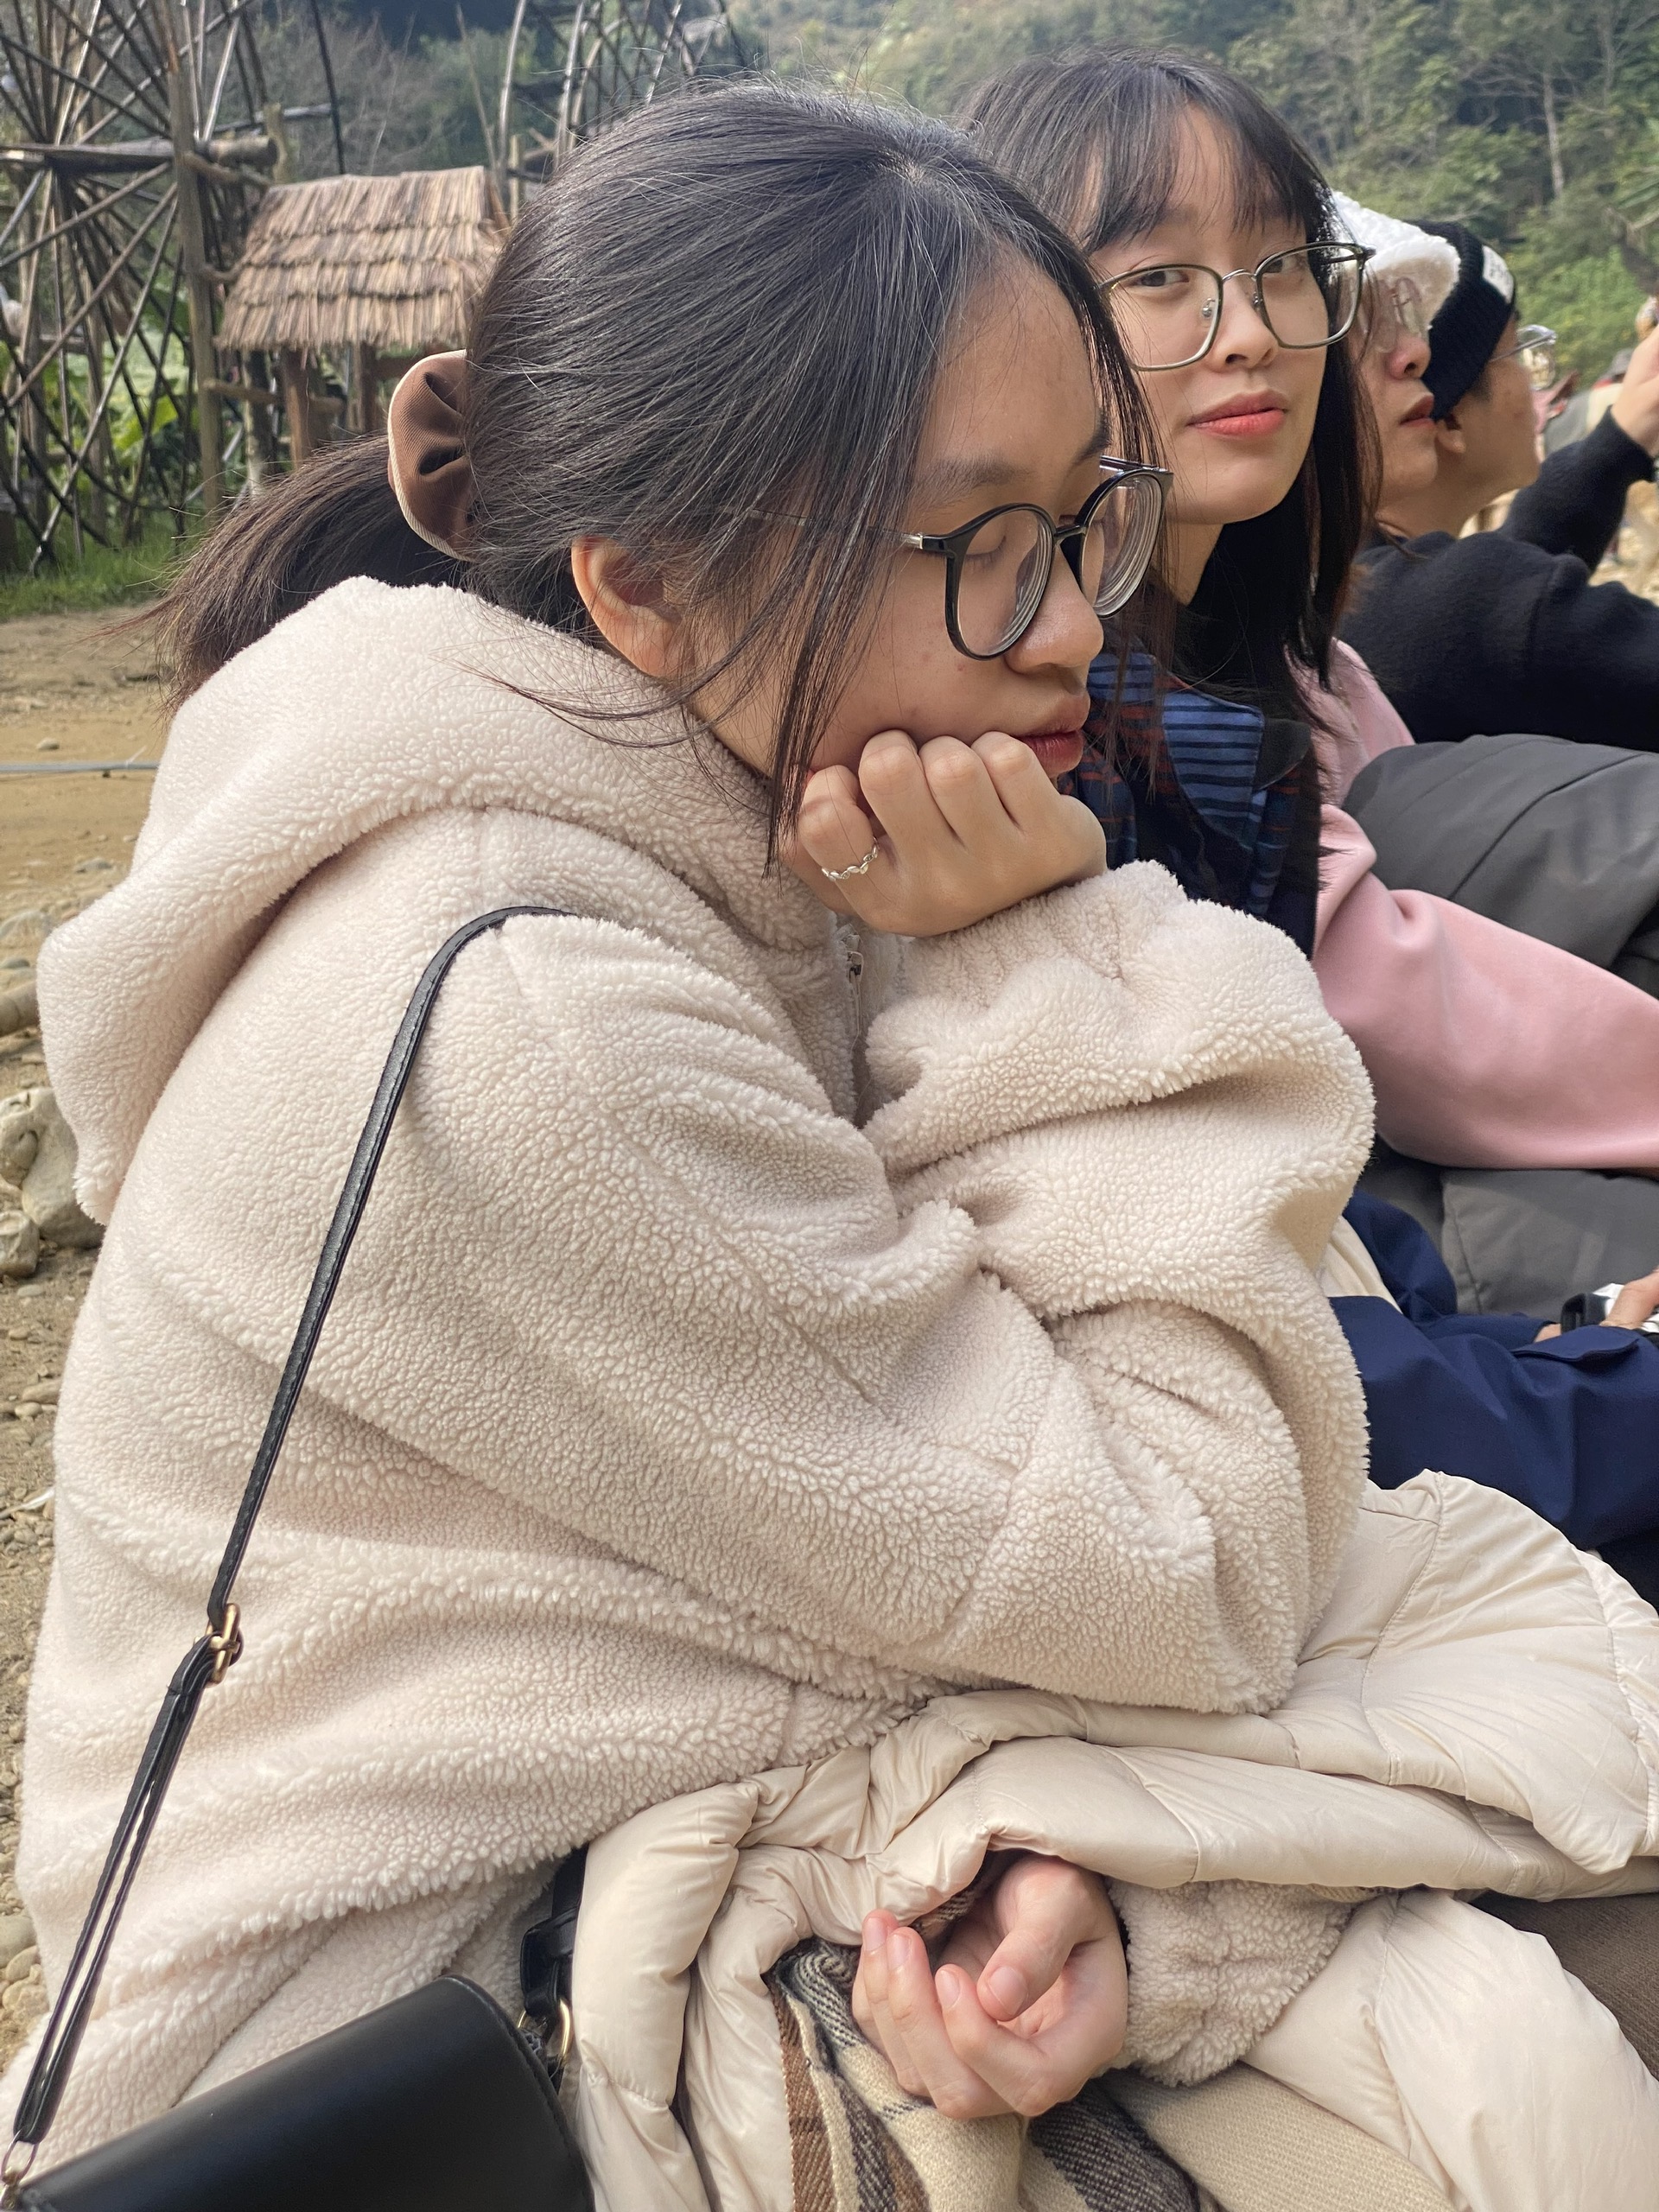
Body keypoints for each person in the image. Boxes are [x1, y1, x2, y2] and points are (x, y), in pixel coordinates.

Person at [13, 79, 1659, 2212]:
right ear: (648, 586)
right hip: (460, 2042)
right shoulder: (534, 1008)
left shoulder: (746, 807)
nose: (1073, 624)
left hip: (732, 1801)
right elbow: (1195, 1564)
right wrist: (1051, 953)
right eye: (983, 547)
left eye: (1088, 517)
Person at [960, 48, 1659, 1573]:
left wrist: (1580, 1338)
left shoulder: (1263, 671)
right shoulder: (1032, 737)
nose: (1253, 333)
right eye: (1162, 279)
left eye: (1284, 270)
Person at [1339, 214, 1659, 749]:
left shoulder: (1348, 593)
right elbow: (1499, 611)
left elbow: (1502, 599)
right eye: (1518, 351)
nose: (1535, 378)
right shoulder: (1460, 614)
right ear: (1447, 417)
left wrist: (1624, 435)